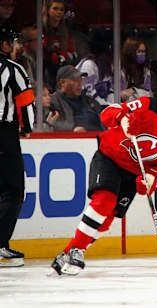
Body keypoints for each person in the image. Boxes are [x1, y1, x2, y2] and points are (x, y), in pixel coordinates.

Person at [50, 80, 157, 276]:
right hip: (110, 157)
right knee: (104, 201)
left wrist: (151, 177)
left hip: (134, 171)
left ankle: (67, 254)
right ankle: (76, 250)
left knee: (105, 221)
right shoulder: (148, 106)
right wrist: (122, 118)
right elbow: (107, 113)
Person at [0, 29, 35, 267]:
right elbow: (24, 102)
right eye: (12, 42)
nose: (15, 46)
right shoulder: (13, 69)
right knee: (13, 190)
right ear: (3, 45)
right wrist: (27, 128)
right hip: (3, 135)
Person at [49, 65, 104, 132]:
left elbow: (103, 118)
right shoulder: (54, 101)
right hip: (73, 139)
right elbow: (50, 123)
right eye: (75, 80)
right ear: (62, 82)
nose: (79, 84)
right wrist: (72, 129)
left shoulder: (89, 100)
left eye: (80, 80)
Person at [42, 0, 78, 90]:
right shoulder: (42, 28)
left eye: (61, 10)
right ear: (47, 10)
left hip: (61, 67)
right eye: (55, 9)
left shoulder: (65, 29)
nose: (59, 12)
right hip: (46, 68)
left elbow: (69, 50)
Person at [76, 28, 114, 106]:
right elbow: (88, 94)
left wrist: (115, 105)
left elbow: (108, 91)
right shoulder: (88, 65)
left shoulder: (104, 65)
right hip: (83, 106)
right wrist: (107, 105)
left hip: (99, 105)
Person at [120, 37, 152, 102]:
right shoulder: (120, 69)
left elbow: (149, 93)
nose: (142, 54)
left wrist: (134, 90)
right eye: (139, 51)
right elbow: (120, 94)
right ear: (130, 52)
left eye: (143, 52)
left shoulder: (145, 70)